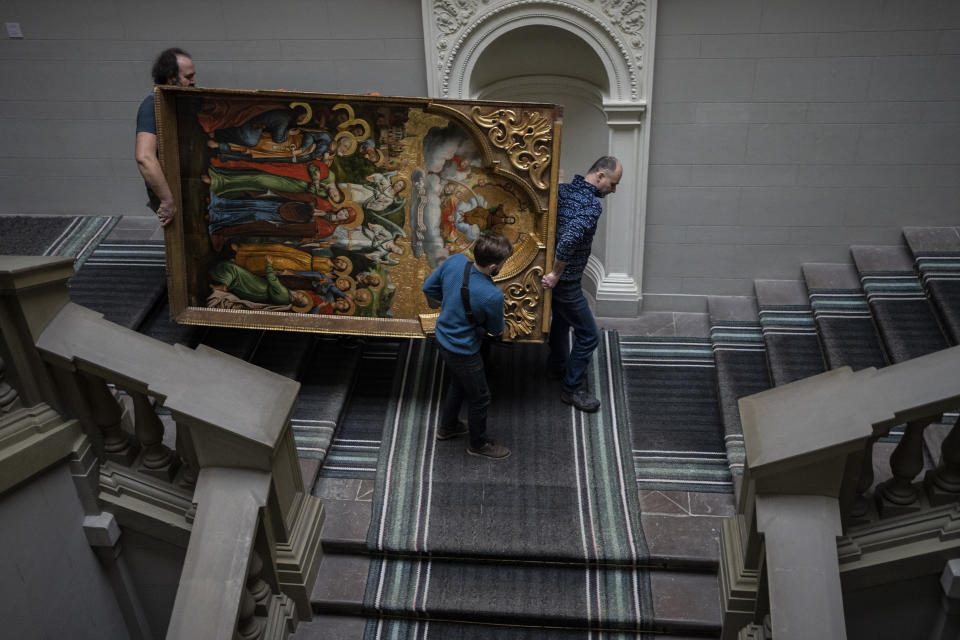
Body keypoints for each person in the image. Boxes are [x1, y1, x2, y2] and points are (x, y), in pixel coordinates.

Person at [541, 156, 622, 413]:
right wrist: (556, 274)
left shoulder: (563, 190)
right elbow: (568, 240)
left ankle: (556, 367)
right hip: (566, 281)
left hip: (556, 276)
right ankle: (572, 388)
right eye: (612, 183)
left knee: (562, 321)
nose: (613, 190)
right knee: (589, 335)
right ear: (599, 176)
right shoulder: (591, 205)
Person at [422, 232, 513, 460]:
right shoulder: (492, 296)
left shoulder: (456, 261)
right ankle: (478, 443)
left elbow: (428, 288)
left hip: (442, 336)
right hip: (463, 349)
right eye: (503, 263)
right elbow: (495, 329)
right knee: (481, 397)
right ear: (493, 267)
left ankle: (448, 427)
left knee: (458, 383)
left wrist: (451, 305)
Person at [135, 48, 196, 227]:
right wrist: (167, 200)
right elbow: (144, 157)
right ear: (171, 78)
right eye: (188, 77)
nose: (193, 81)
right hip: (171, 188)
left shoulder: (178, 101)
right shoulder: (151, 107)